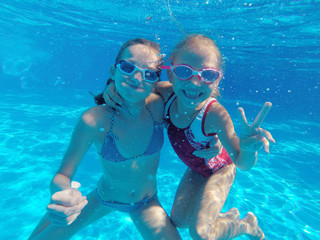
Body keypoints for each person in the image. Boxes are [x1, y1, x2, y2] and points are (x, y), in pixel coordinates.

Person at [103, 34, 275, 239]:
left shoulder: (215, 115)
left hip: (220, 169)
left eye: (207, 75)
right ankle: (225, 217)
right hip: (196, 168)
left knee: (202, 234)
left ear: (217, 78)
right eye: (184, 72)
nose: (194, 83)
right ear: (171, 75)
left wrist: (247, 149)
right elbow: (136, 87)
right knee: (180, 221)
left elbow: (242, 163)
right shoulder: (166, 94)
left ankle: (247, 225)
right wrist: (111, 86)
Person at [28, 38, 182, 240]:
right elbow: (62, 176)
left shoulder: (158, 105)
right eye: (128, 67)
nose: (136, 78)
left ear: (155, 80)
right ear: (113, 71)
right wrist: (64, 196)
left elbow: (191, 88)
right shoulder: (93, 120)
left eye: (149, 73)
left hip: (147, 202)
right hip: (104, 198)